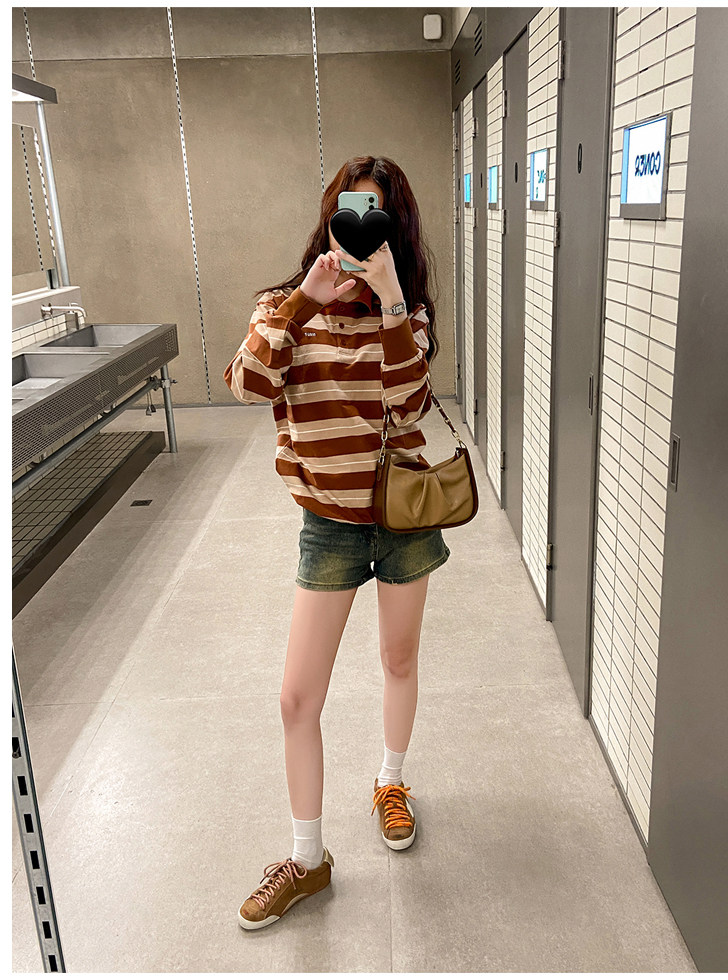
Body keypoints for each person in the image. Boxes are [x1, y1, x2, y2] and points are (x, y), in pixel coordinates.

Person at [223, 156, 451, 930]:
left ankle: (391, 781)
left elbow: (409, 403)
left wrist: (391, 302)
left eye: (373, 218)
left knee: (399, 660)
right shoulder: (283, 306)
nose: (356, 231)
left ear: (394, 231)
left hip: (402, 512)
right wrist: (300, 304)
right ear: (328, 221)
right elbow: (247, 385)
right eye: (345, 215)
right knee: (297, 697)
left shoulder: (406, 312)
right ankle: (307, 859)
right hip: (328, 525)